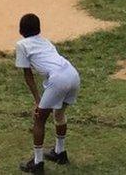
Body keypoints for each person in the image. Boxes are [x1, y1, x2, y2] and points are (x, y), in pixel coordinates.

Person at [15, 14, 81, 174]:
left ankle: (38, 163)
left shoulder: (22, 45)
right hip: (73, 74)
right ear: (39, 29)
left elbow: (28, 75)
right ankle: (60, 153)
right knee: (59, 114)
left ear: (20, 30)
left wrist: (38, 100)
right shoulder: (46, 41)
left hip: (58, 79)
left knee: (39, 119)